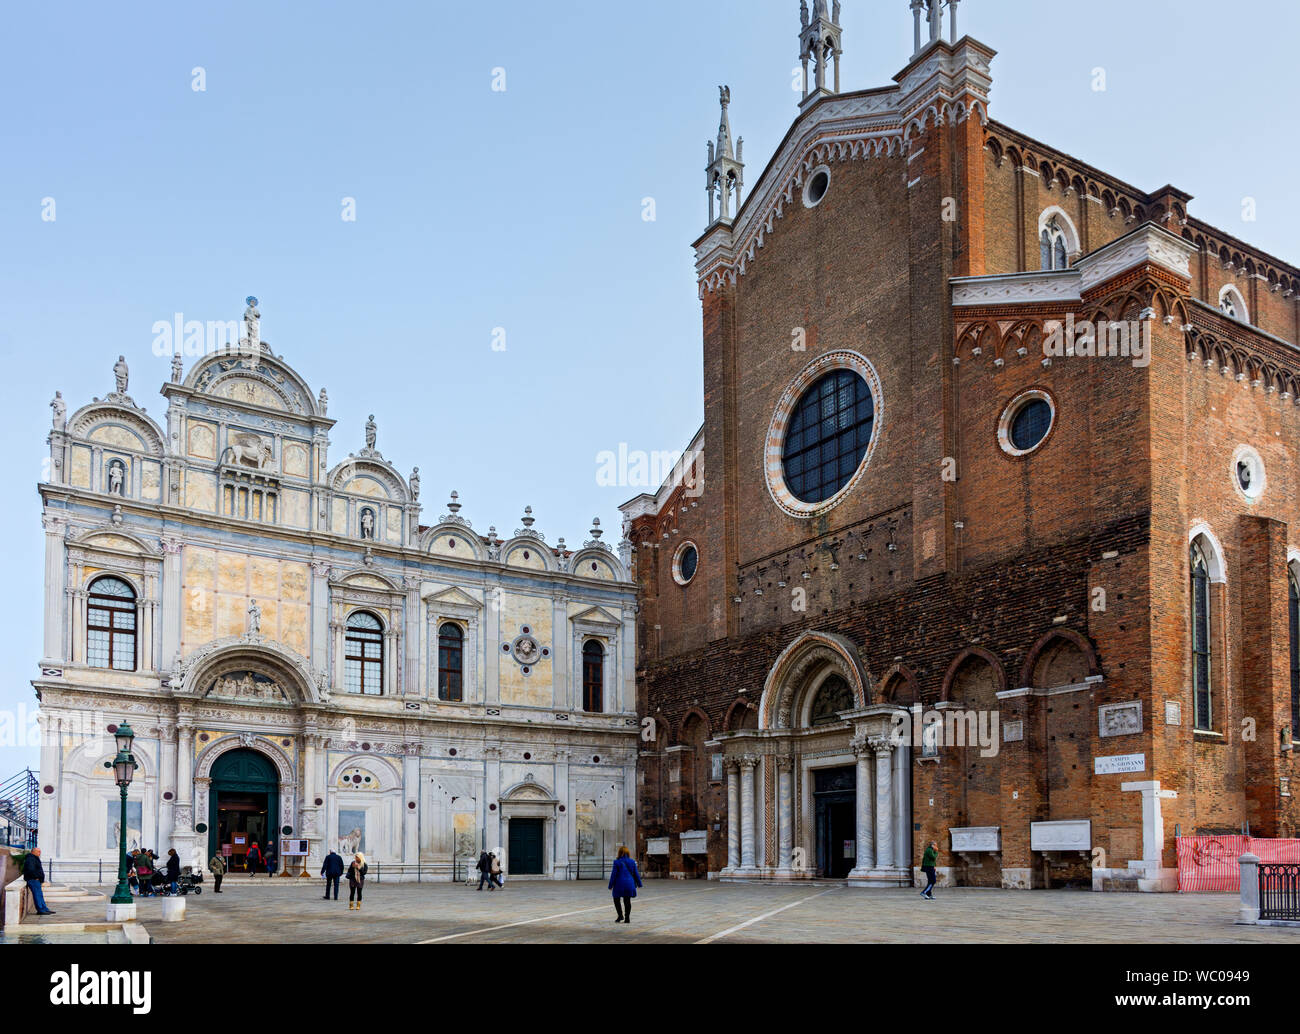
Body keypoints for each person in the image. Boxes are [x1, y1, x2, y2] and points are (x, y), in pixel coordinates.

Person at [608, 846, 642, 925]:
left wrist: (610, 885)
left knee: (616, 899)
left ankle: (620, 916)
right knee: (627, 901)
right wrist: (639, 884)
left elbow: (614, 875)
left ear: (619, 853)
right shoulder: (632, 861)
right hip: (629, 884)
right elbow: (636, 874)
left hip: (619, 884)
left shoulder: (617, 862)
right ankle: (627, 918)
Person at [22, 847, 55, 916]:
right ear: (33, 852)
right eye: (38, 852)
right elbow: (31, 870)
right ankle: (40, 910)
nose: (39, 853)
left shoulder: (34, 858)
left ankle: (45, 909)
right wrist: (36, 877)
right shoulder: (30, 859)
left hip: (36, 880)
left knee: (40, 895)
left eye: (40, 852)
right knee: (37, 895)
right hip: (33, 880)